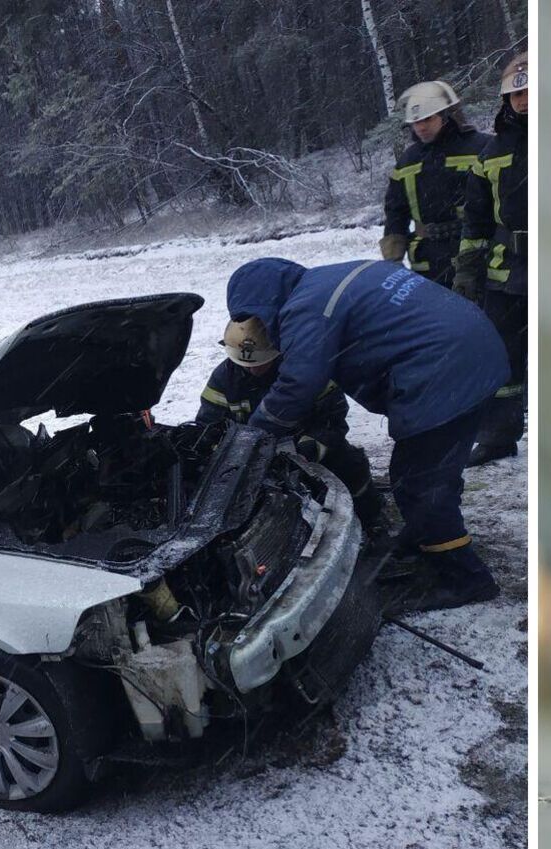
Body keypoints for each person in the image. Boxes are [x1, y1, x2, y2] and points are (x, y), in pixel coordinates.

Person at [225, 257, 509, 612]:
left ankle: (464, 578)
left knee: (420, 484)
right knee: (430, 469)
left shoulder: (305, 308)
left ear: (263, 302)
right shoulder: (330, 277)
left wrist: (253, 433)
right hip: (472, 347)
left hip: (443, 368)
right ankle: (425, 535)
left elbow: (299, 382)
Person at [196, 318, 378, 531]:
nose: (253, 370)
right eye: (246, 364)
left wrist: (308, 449)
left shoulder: (306, 372)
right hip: (248, 458)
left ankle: (371, 520)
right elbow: (209, 424)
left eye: (260, 363)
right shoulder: (224, 378)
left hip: (305, 449)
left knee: (351, 466)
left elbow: (333, 421)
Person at [456, 52, 529, 467]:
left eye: (530, 90)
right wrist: (468, 272)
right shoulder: (490, 153)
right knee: (502, 359)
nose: (523, 99)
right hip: (506, 273)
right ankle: (498, 436)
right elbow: (477, 221)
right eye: (516, 92)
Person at [382, 81, 492, 288]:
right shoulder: (408, 160)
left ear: (445, 115)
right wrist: (392, 260)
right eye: (415, 122)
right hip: (426, 264)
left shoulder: (482, 147)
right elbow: (395, 212)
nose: (421, 127)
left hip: (478, 258)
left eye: (427, 119)